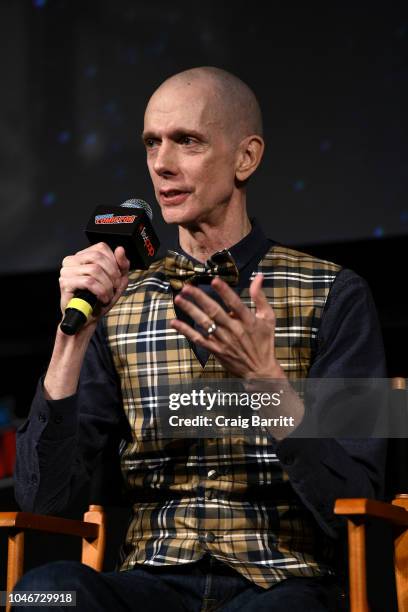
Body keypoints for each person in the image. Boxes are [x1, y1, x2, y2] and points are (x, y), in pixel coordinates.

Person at [14, 66, 386, 611]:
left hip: (281, 584)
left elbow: (359, 497)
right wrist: (73, 337)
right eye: (151, 143)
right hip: (152, 579)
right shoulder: (123, 302)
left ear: (246, 158)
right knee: (42, 597)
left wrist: (266, 383)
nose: (162, 165)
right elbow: (43, 502)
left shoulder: (337, 294)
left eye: (187, 142)